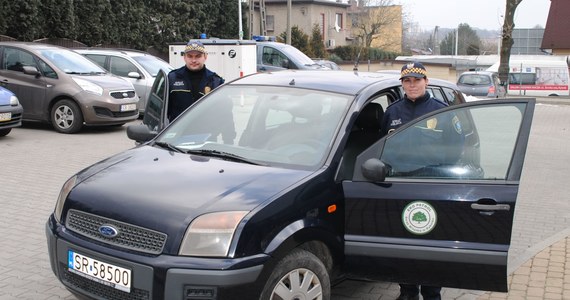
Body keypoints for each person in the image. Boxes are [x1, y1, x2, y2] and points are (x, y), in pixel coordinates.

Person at [381, 61, 448, 300]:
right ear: (402, 84)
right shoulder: (393, 112)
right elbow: (383, 149)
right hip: (400, 186)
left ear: (426, 81)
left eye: (416, 80)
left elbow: (457, 150)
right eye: (407, 81)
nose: (412, 85)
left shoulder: (441, 110)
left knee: (431, 246)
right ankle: (408, 292)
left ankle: (431, 293)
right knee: (404, 245)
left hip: (432, 186)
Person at [167, 40, 225, 122]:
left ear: (205, 57)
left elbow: (224, 111)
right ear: (184, 57)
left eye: (198, 56)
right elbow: (160, 109)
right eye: (190, 56)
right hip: (179, 132)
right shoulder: (172, 78)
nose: (193, 60)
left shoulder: (215, 81)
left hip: (205, 132)